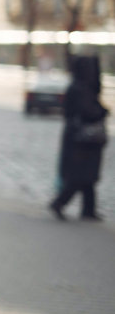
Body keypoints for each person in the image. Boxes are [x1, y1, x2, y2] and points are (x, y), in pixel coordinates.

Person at [49, 55, 109, 221]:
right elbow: (88, 112)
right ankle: (60, 203)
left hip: (81, 138)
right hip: (81, 139)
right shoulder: (80, 88)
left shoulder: (80, 86)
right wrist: (103, 112)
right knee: (81, 176)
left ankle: (88, 210)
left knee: (88, 177)